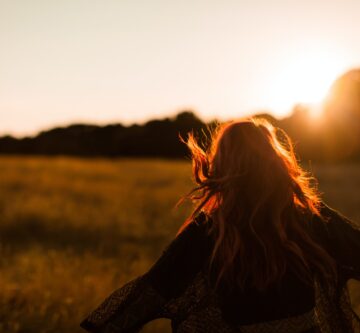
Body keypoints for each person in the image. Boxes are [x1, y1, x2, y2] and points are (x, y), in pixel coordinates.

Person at [80, 118, 360, 333]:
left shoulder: (207, 231)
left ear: (222, 166)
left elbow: (149, 295)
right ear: (275, 161)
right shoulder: (310, 218)